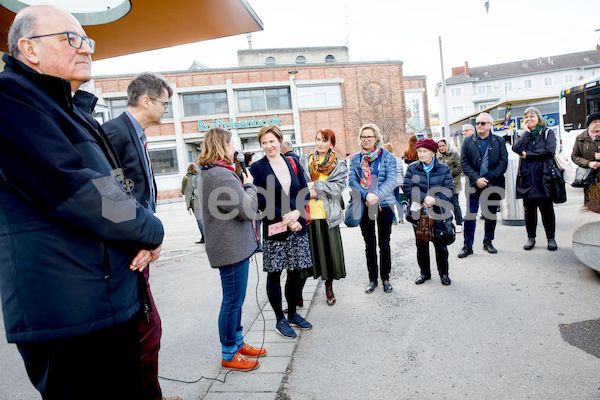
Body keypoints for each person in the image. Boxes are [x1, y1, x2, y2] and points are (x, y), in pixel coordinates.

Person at [0, 6, 165, 399]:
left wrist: (135, 223)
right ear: (29, 49)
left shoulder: (72, 109)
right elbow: (77, 190)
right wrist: (150, 228)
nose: (86, 49)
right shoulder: (12, 100)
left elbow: (112, 188)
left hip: (107, 301)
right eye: (70, 39)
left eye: (87, 41)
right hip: (70, 315)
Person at [103, 72, 180, 400]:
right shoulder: (114, 133)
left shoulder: (134, 133)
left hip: (139, 246)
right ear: (146, 100)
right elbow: (110, 195)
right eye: (165, 103)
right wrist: (140, 239)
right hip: (126, 253)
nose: (167, 110)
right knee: (145, 335)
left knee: (148, 332)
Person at [198, 127, 266, 371]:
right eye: (232, 143)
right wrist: (249, 186)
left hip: (233, 247)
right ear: (221, 146)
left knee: (236, 299)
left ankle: (237, 343)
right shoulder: (220, 175)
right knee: (232, 302)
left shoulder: (218, 172)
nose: (235, 148)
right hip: (230, 249)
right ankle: (229, 352)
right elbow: (247, 210)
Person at [249, 124, 313, 339]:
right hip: (275, 227)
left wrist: (297, 214)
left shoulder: (293, 162)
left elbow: (303, 190)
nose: (268, 146)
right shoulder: (257, 168)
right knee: (275, 274)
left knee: (296, 273)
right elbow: (260, 200)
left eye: (272, 141)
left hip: (297, 224)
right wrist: (288, 218)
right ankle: (280, 319)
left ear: (279, 140)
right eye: (264, 143)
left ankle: (293, 313)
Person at [348, 124, 397, 294]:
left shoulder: (387, 156)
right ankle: (373, 279)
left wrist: (375, 195)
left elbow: (391, 180)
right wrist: (366, 195)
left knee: (384, 242)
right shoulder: (355, 158)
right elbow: (352, 181)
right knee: (369, 243)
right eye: (363, 137)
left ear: (376, 138)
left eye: (369, 136)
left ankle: (385, 278)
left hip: (384, 204)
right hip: (365, 204)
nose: (366, 139)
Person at [302, 128, 347, 306]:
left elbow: (337, 188)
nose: (320, 143)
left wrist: (315, 184)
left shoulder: (338, 163)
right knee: (306, 255)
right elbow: (298, 182)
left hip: (328, 216)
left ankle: (329, 289)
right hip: (306, 214)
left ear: (332, 144)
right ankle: (297, 293)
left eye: (325, 140)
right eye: (318, 139)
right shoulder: (305, 160)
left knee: (329, 255)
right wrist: (308, 190)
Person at [403, 138, 454, 285]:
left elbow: (449, 190)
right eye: (419, 151)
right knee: (421, 245)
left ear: (433, 152)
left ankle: (444, 274)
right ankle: (424, 273)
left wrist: (435, 200)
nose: (421, 154)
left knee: (441, 246)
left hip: (438, 213)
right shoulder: (412, 168)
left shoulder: (444, 169)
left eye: (425, 151)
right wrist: (424, 198)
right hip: (419, 213)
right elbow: (407, 188)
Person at [458, 112, 508, 258]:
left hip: (493, 184)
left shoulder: (499, 141)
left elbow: (503, 163)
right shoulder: (468, 141)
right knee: (470, 215)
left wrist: (487, 177)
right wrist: (477, 179)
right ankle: (467, 246)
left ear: (490, 125)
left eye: (483, 123)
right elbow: (464, 163)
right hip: (474, 185)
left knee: (491, 215)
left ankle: (488, 242)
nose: (479, 125)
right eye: (478, 123)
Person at [512, 107, 558, 251]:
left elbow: (550, 151)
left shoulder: (548, 133)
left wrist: (529, 155)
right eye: (526, 117)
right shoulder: (522, 134)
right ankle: (531, 238)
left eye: (532, 116)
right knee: (529, 210)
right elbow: (516, 148)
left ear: (539, 118)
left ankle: (551, 238)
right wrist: (526, 132)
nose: (529, 119)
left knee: (547, 210)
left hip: (544, 176)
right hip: (527, 177)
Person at [571, 111, 600, 203]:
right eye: (595, 122)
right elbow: (574, 156)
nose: (598, 124)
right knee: (592, 207)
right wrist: (588, 163)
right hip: (589, 178)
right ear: (589, 124)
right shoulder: (581, 138)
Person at [437, 138, 464, 233]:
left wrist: (448, 173)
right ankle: (448, 223)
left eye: (443, 145)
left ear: (447, 145)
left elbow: (459, 168)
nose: (441, 148)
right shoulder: (437, 157)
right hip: (442, 185)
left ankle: (459, 223)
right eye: (439, 146)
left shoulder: (454, 155)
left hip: (453, 184)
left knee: (455, 204)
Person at [382, 142, 405, 224]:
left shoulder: (386, 160)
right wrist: (402, 182)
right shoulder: (398, 159)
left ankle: (394, 219)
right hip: (398, 182)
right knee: (398, 200)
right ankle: (401, 218)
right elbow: (402, 172)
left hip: (390, 183)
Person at [182, 163, 205, 243]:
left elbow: (183, 191)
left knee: (199, 220)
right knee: (206, 219)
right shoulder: (201, 176)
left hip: (194, 202)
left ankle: (204, 237)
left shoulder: (186, 178)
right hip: (204, 200)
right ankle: (208, 236)